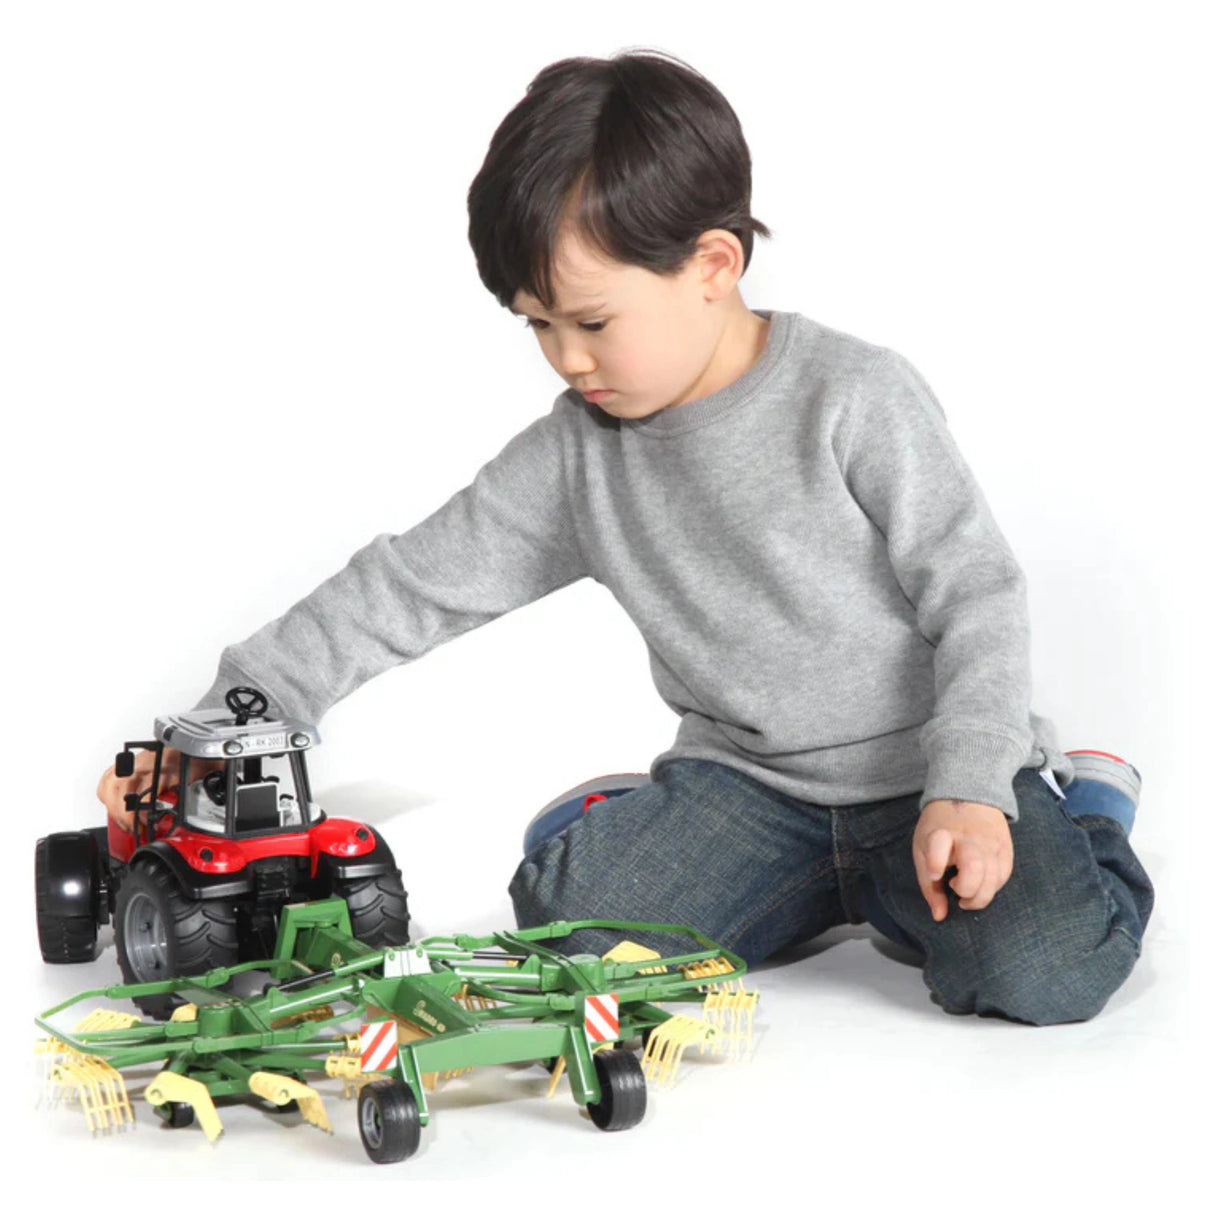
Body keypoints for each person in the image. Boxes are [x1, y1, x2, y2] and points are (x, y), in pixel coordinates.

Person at [97, 50, 1152, 1024]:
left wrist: (969, 784)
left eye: (590, 322)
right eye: (536, 325)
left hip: (933, 770)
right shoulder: (576, 457)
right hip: (750, 790)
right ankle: (681, 842)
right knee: (572, 935)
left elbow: (974, 590)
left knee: (1043, 970)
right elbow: (405, 587)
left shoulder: (854, 395)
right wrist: (220, 723)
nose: (564, 358)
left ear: (712, 263)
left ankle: (1086, 809)